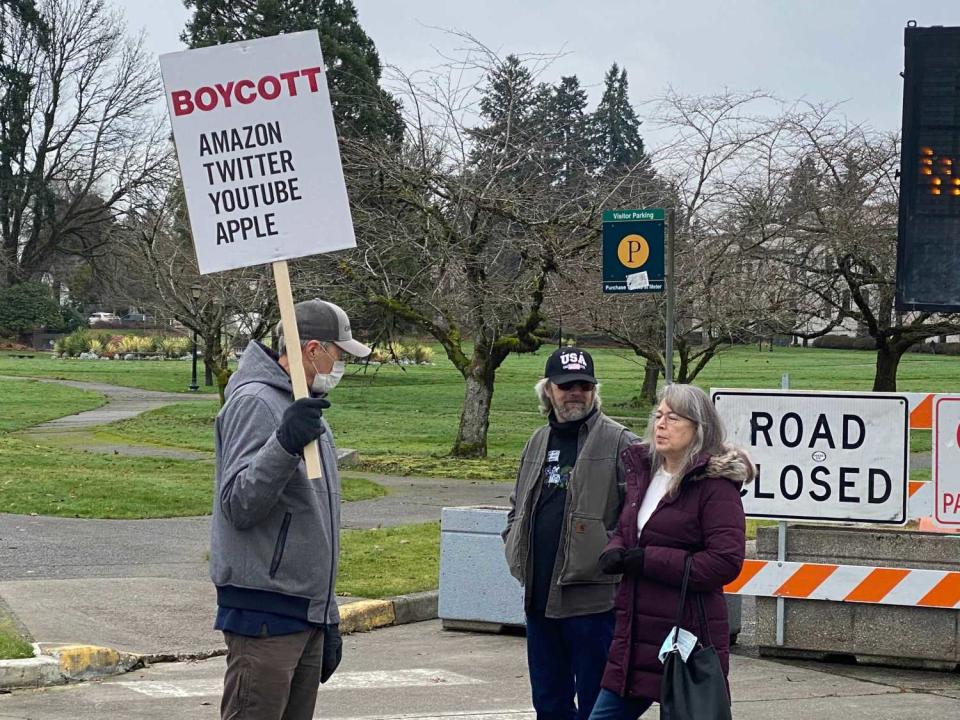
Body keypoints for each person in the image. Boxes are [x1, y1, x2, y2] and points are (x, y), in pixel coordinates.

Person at [210, 298, 370, 720]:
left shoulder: (303, 403)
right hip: (265, 609)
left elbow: (317, 520)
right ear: (312, 349)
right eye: (339, 354)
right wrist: (283, 443)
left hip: (304, 610)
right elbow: (238, 503)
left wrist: (327, 616)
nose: (341, 365)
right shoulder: (256, 402)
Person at [588, 383, 754, 720]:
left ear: (699, 428)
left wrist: (647, 560)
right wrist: (616, 550)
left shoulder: (716, 487)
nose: (661, 424)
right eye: (659, 415)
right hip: (635, 635)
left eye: (674, 417)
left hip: (687, 635)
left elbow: (724, 562)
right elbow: (628, 529)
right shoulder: (645, 473)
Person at [503, 347, 639, 720]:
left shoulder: (621, 442)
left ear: (594, 390)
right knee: (548, 702)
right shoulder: (536, 440)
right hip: (539, 597)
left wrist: (609, 548)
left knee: (597, 706)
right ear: (548, 390)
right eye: (566, 386)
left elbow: (639, 514)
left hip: (593, 602)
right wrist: (512, 538)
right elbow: (518, 505)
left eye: (584, 385)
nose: (575, 393)